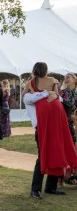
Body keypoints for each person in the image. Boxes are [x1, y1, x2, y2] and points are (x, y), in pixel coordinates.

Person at [23, 62, 77, 200]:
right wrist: (47, 93)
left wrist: (52, 94)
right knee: (43, 156)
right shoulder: (37, 84)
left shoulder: (46, 83)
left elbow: (58, 97)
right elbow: (27, 99)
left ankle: (50, 187)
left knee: (56, 153)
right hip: (44, 125)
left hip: (56, 123)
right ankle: (36, 190)